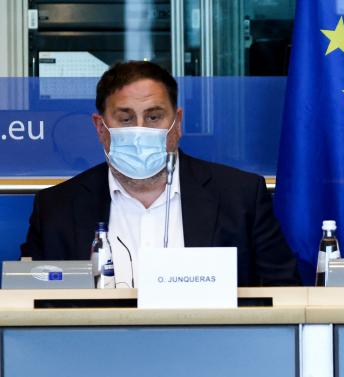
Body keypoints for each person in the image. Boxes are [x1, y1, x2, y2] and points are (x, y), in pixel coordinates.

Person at [20, 61, 299, 287]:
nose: (140, 130)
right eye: (126, 118)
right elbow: (32, 300)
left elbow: (283, 293)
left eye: (153, 117)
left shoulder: (240, 197)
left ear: (177, 123)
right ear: (100, 127)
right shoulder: (56, 207)